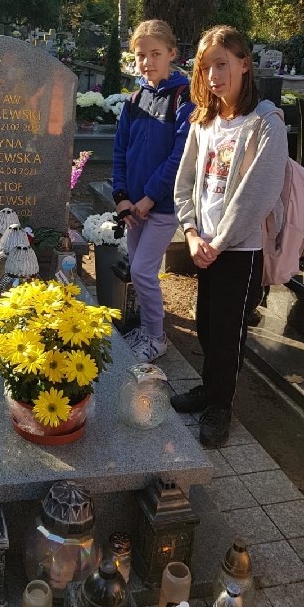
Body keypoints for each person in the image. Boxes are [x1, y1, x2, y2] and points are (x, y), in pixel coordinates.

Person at [173, 25, 288, 447]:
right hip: (203, 244)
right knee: (206, 324)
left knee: (227, 332)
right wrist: (190, 232)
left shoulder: (265, 124)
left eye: (221, 65)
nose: (213, 76)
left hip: (238, 249)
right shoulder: (204, 120)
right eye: (206, 68)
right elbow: (185, 182)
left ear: (244, 64)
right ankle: (209, 389)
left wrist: (218, 243)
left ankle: (221, 405)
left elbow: (257, 195)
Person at [112, 19, 194, 361]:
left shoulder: (184, 97)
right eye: (140, 55)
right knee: (137, 268)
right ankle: (146, 329)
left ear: (172, 53)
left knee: (143, 270)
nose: (147, 62)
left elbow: (180, 156)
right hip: (134, 207)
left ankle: (157, 338)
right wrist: (122, 197)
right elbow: (120, 150)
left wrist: (149, 196)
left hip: (161, 206)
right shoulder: (134, 100)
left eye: (155, 54)